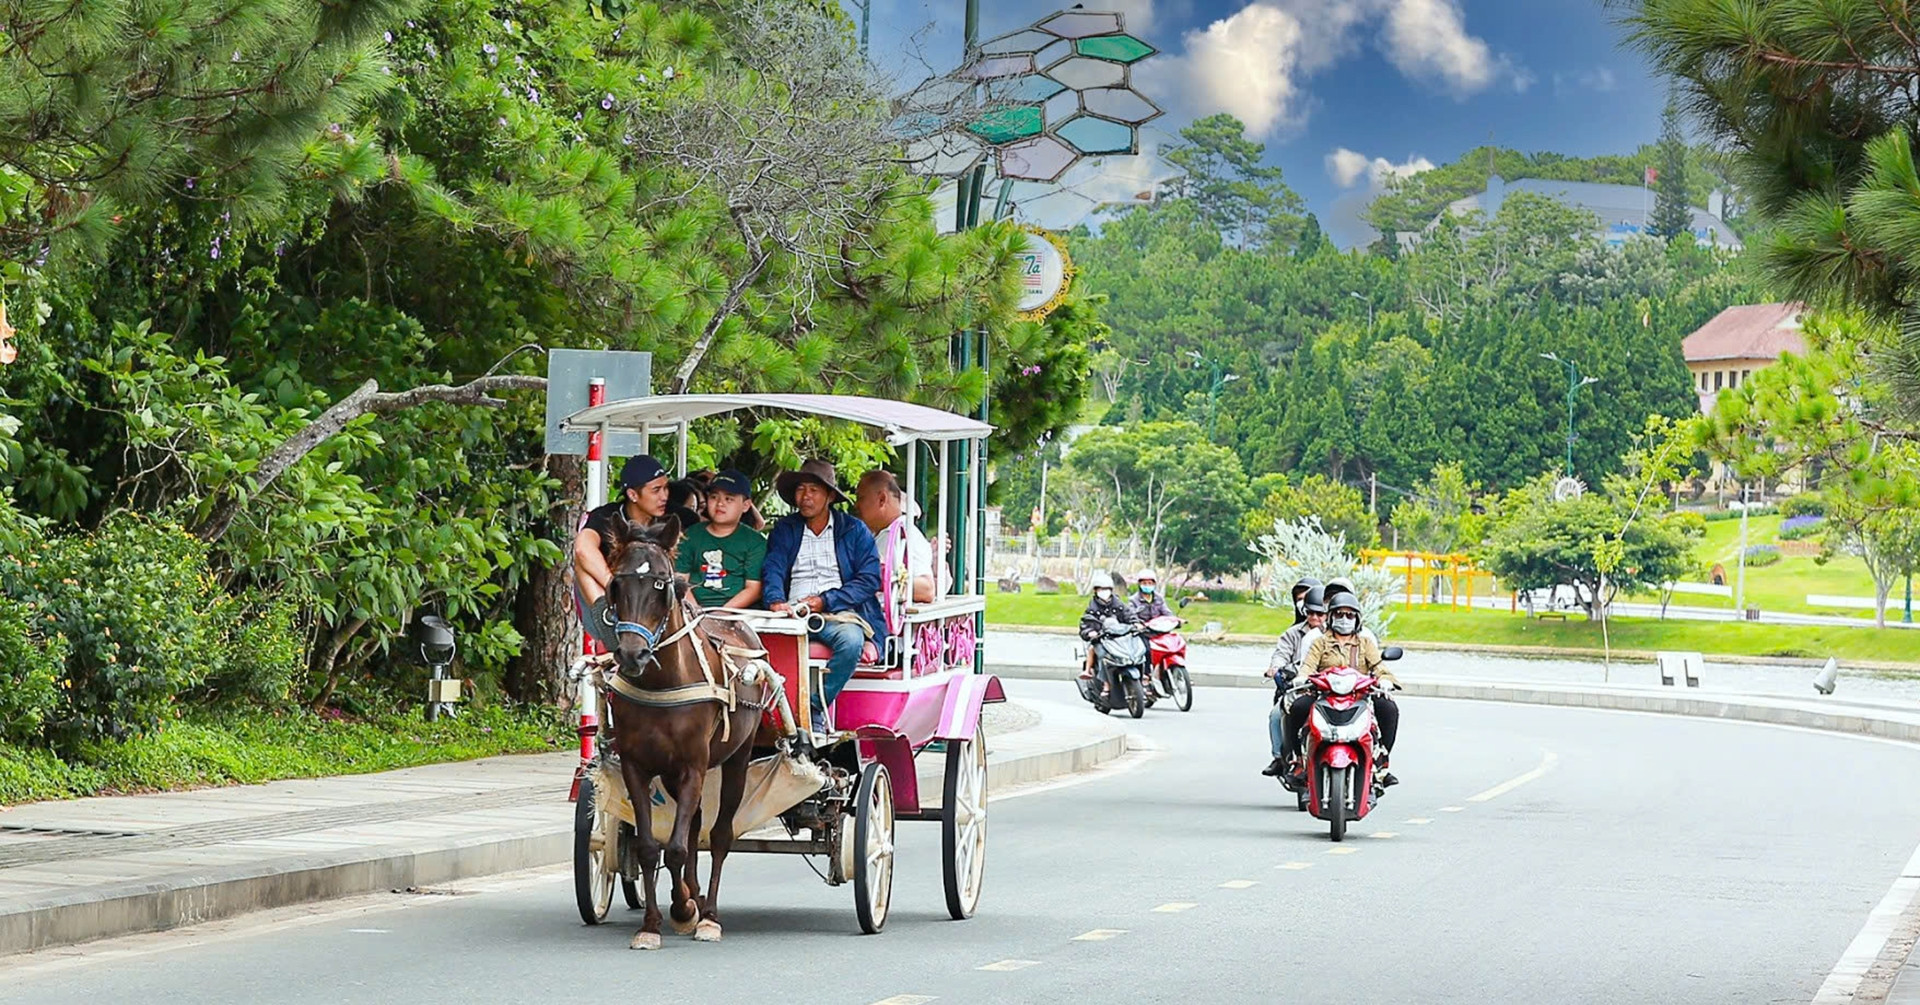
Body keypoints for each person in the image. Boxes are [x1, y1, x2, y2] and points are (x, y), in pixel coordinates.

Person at [761, 458, 885, 729]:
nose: (805, 497)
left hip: (838, 613)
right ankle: (763, 715)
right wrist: (775, 601)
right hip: (792, 612)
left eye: (814, 490)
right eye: (800, 489)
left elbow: (868, 580)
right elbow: (774, 567)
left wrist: (825, 601)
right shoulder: (785, 528)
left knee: (851, 642)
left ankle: (812, 708)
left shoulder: (854, 529)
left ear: (829, 495)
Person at [1282, 590, 1400, 786]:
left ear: (1357, 619)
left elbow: (1379, 667)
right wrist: (1301, 678)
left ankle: (1381, 762)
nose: (1344, 619)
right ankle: (1298, 760)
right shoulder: (1319, 642)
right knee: (1297, 707)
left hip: (1359, 696)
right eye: (1339, 614)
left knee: (1389, 708)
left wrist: (1385, 680)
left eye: (1349, 615)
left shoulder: (1365, 643)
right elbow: (1308, 666)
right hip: (1324, 694)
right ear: (1331, 617)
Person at [574, 454, 671, 646]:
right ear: (633, 495)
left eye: (666, 488)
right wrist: (614, 586)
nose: (664, 496)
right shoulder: (608, 516)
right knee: (581, 563)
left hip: (655, 605)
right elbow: (582, 549)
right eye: (656, 490)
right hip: (616, 601)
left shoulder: (671, 518)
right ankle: (606, 619)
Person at [673, 470, 766, 611]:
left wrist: (721, 613)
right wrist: (695, 611)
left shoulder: (755, 542)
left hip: (738, 614)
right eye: (714, 497)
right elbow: (680, 580)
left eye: (729, 499)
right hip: (691, 611)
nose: (720, 504)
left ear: (746, 505)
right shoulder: (691, 535)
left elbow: (754, 589)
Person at [1262, 585, 1327, 776]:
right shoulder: (1293, 634)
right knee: (1277, 714)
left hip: (1331, 690)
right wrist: (1275, 668)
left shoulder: (1338, 635)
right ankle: (1282, 758)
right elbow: (1281, 654)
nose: (1315, 618)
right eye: (1311, 613)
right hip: (1300, 687)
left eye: (1320, 613)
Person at [854, 470, 935, 605]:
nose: (856, 505)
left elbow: (927, 589)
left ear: (882, 499)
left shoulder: (906, 535)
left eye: (861, 498)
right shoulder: (882, 534)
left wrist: (883, 578)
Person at [1077, 570, 1138, 695]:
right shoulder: (1092, 608)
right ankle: (1105, 683)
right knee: (1103, 655)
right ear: (1095, 591)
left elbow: (1129, 615)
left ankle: (1144, 679)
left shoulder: (1119, 604)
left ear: (1111, 590)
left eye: (1107, 589)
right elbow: (1085, 624)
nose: (1104, 592)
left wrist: (1136, 623)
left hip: (1120, 638)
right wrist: (1090, 632)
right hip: (1102, 639)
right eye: (1101, 589)